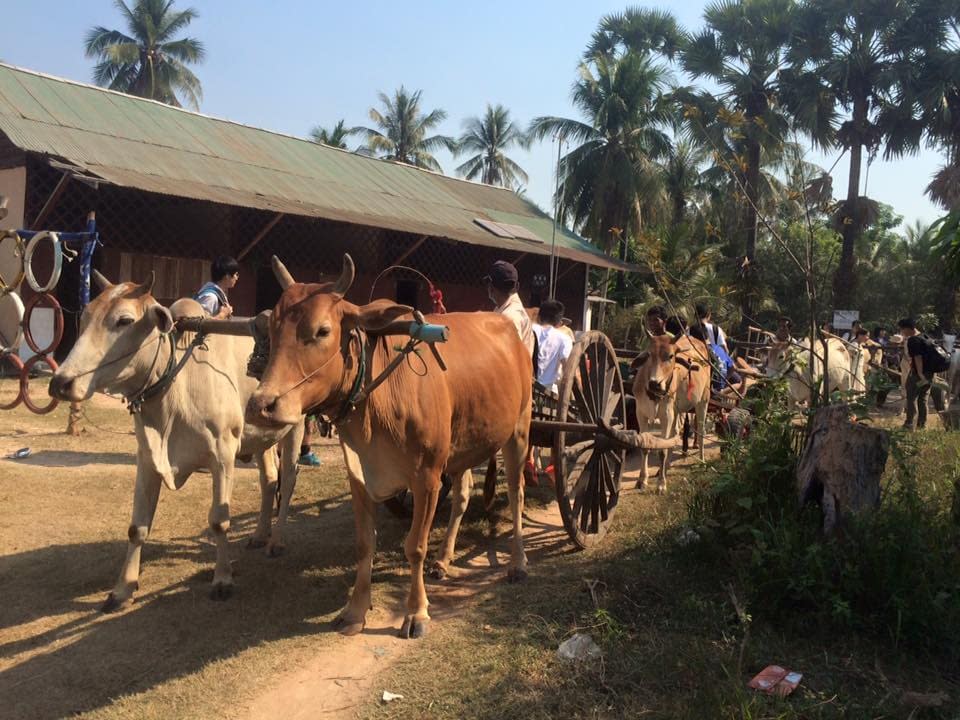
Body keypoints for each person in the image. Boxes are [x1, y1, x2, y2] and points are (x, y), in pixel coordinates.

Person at [898, 317, 948, 430]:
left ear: (907, 328)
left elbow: (917, 357)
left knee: (911, 397)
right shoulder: (925, 336)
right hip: (930, 374)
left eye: (902, 329)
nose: (902, 332)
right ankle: (922, 425)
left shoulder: (913, 340)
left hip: (918, 375)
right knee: (923, 398)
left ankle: (909, 424)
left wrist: (920, 374)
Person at [484, 260, 534, 356]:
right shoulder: (507, 310)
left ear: (491, 287)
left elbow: (506, 356)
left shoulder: (509, 317)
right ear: (517, 286)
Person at [532, 300, 574, 393]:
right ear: (559, 322)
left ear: (539, 318)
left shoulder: (529, 329)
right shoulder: (564, 338)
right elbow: (567, 368)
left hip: (526, 385)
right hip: (548, 391)